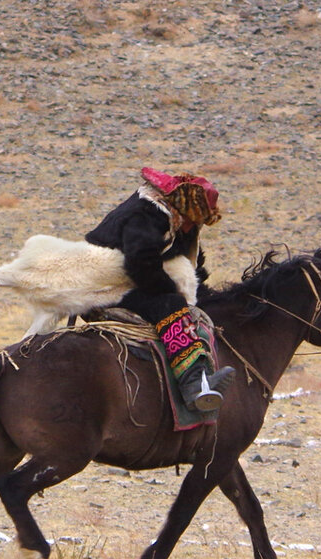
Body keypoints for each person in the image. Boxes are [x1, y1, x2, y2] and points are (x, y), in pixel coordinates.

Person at [84, 167, 236, 414]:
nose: (194, 229)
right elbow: (141, 265)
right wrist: (173, 294)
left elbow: (188, 265)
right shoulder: (145, 215)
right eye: (194, 222)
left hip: (124, 282)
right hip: (103, 288)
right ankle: (194, 385)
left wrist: (206, 296)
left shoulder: (176, 221)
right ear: (187, 212)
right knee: (171, 306)